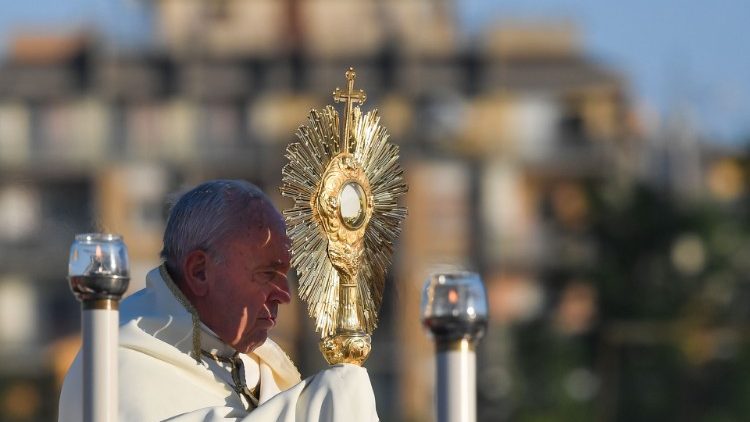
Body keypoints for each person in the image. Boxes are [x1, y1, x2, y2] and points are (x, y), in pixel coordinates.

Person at [59, 180, 379, 421]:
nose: (284, 294)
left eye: (286, 275)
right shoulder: (116, 367)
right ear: (200, 272)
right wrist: (338, 395)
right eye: (267, 274)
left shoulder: (261, 367)